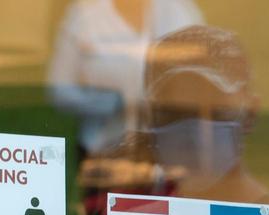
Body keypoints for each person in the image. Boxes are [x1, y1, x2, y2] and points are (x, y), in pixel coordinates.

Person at [47, 0, 203, 156]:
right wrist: (114, 102)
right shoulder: (85, 13)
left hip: (170, 153)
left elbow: (201, 81)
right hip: (102, 152)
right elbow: (60, 91)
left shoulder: (179, 11)